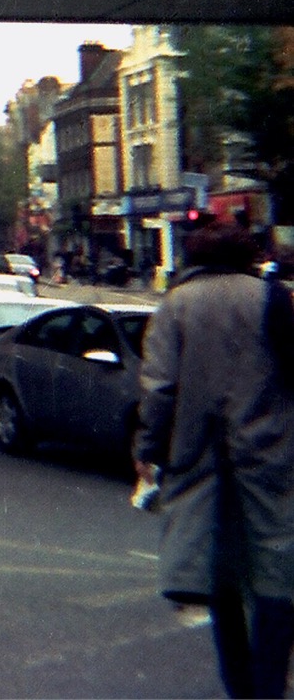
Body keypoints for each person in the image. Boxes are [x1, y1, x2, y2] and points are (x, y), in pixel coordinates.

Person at [135, 219, 294, 699]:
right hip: (271, 454)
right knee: (276, 573)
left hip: (201, 460)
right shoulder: (272, 297)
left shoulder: (176, 304)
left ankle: (240, 686)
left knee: (218, 577)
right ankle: (268, 684)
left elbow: (159, 389)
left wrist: (147, 449)